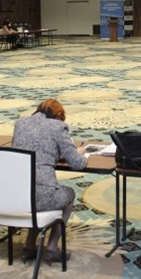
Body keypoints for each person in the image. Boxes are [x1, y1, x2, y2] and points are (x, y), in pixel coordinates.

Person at [11, 99, 87, 263]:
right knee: (68, 194)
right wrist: (79, 152)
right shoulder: (57, 127)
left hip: (18, 195)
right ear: (59, 116)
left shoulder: (20, 123)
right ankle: (52, 247)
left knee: (36, 192)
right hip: (42, 196)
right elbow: (78, 164)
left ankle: (29, 246)